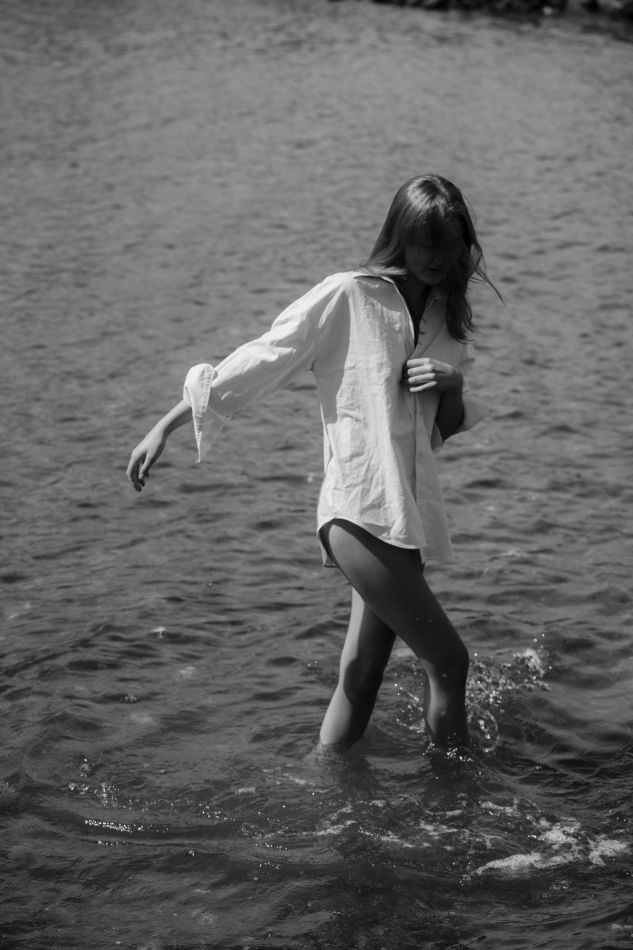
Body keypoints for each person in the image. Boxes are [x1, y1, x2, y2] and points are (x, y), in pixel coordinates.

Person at [127, 174, 496, 752]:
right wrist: (166, 425)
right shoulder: (348, 295)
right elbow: (265, 356)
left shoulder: (446, 318)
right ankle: (455, 796)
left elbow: (439, 431)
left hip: (405, 517)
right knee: (449, 661)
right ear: (399, 236)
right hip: (358, 512)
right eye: (424, 241)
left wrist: (452, 383)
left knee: (362, 675)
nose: (435, 256)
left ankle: (324, 780)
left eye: (447, 243)